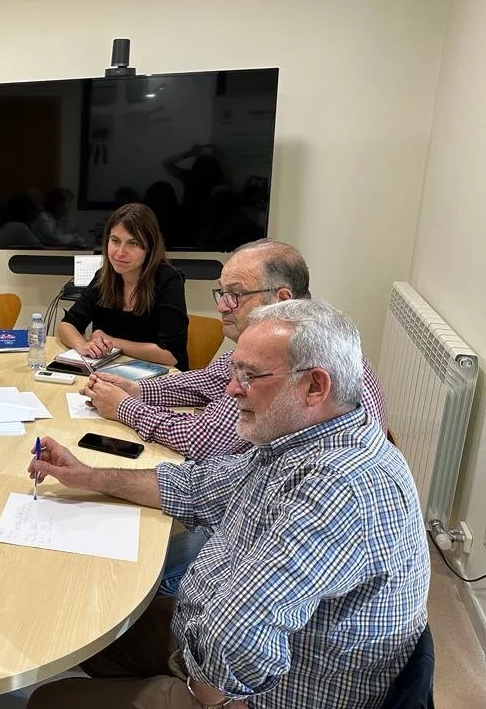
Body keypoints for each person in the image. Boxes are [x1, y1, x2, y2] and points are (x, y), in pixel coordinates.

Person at [28, 300, 429, 709]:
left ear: (315, 386)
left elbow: (237, 632)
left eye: (249, 376)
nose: (234, 388)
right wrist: (87, 475)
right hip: (204, 634)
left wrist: (209, 700)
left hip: (266, 692)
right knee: (87, 622)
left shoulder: (340, 486)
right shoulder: (302, 437)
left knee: (49, 701)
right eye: (235, 372)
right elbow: (197, 486)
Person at [83, 238, 387, 594]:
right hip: (252, 500)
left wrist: (123, 407)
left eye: (236, 295)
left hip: (262, 541)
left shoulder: (290, 366)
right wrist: (136, 391)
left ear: (282, 300)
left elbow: (203, 440)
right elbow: (209, 381)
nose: (223, 307)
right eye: (222, 293)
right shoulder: (301, 338)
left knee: (125, 569)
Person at [58, 203, 188, 370]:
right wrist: (83, 345)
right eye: (115, 241)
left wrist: (110, 341)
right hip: (111, 373)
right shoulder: (103, 277)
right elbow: (67, 325)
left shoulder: (168, 279)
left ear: (149, 247)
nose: (120, 252)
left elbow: (171, 355)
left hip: (161, 380)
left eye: (132, 243)